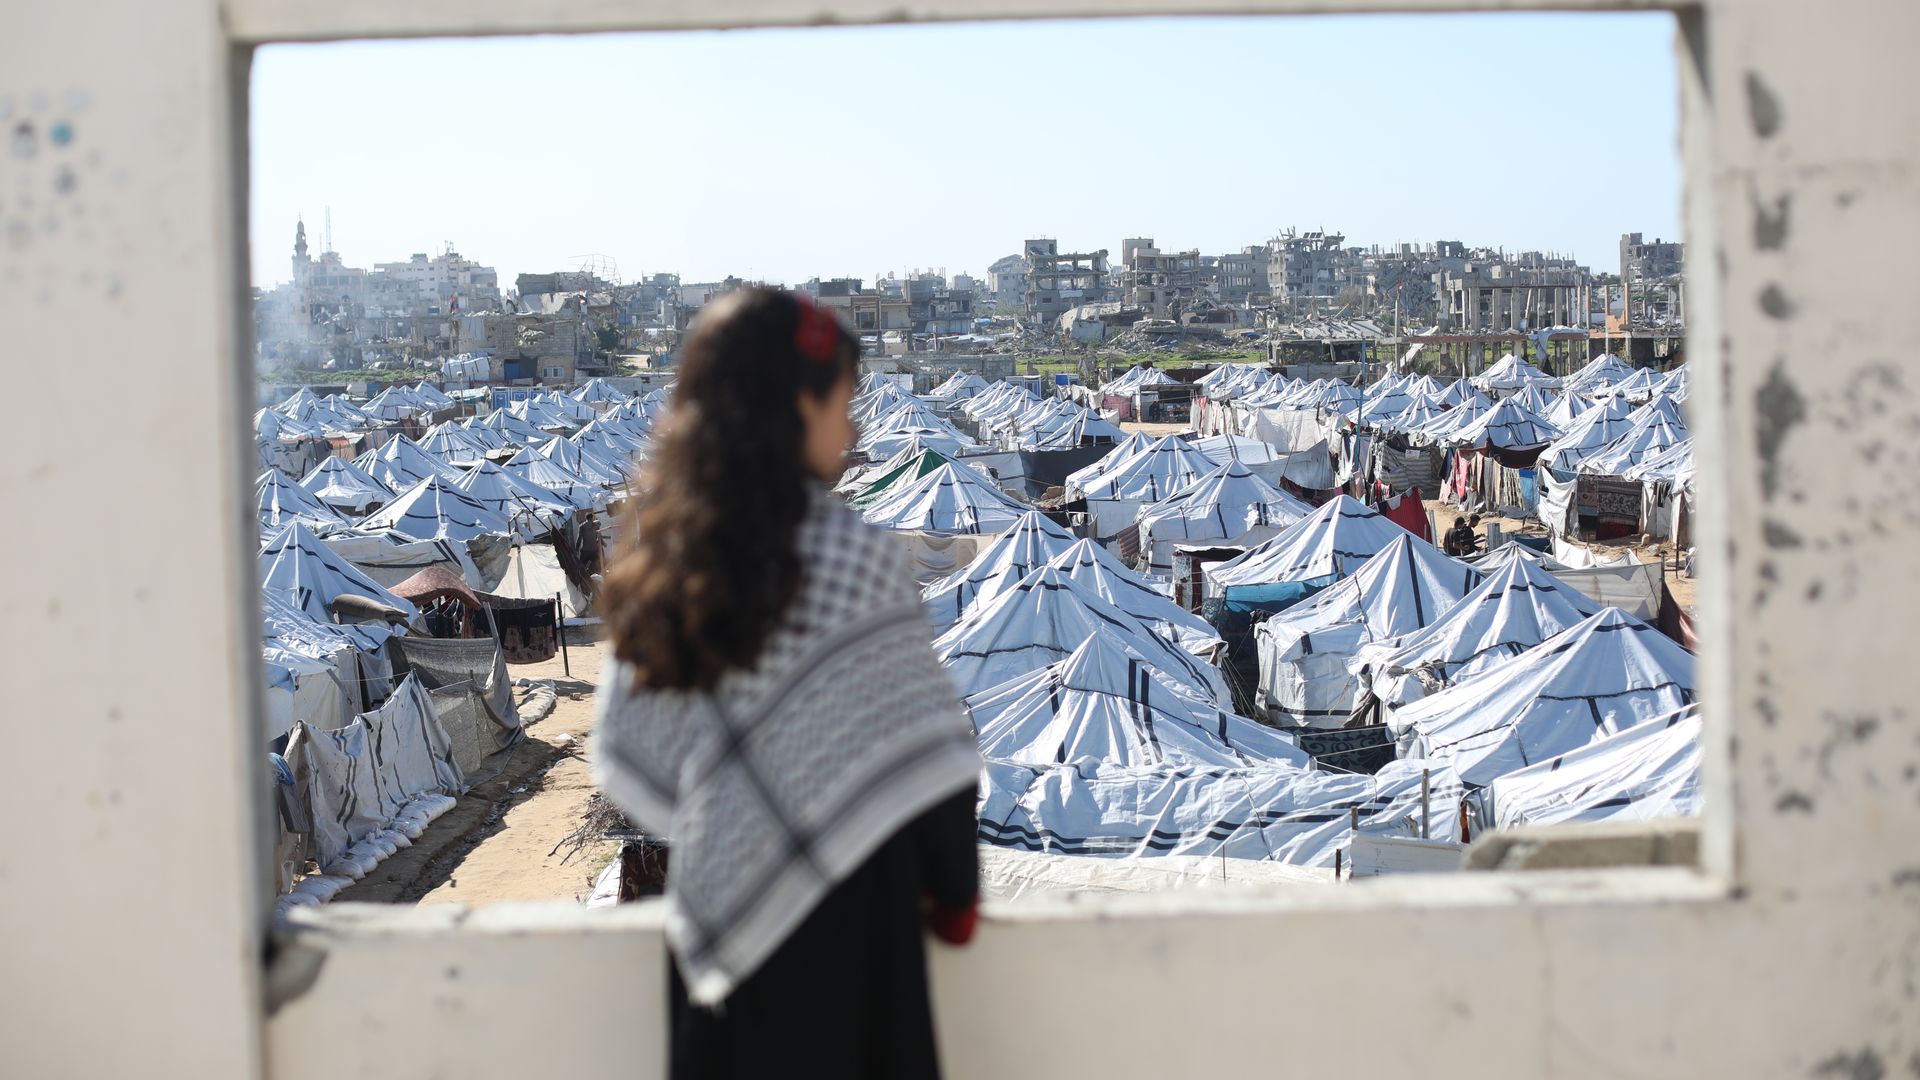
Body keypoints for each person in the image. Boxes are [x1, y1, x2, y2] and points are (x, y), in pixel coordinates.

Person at [593, 288, 983, 1080]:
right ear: (796, 408)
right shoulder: (859, 558)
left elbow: (635, 750)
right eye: (844, 402)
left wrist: (742, 814)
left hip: (721, 946)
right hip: (864, 945)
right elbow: (934, 760)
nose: (855, 426)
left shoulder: (661, 560)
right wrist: (955, 893)